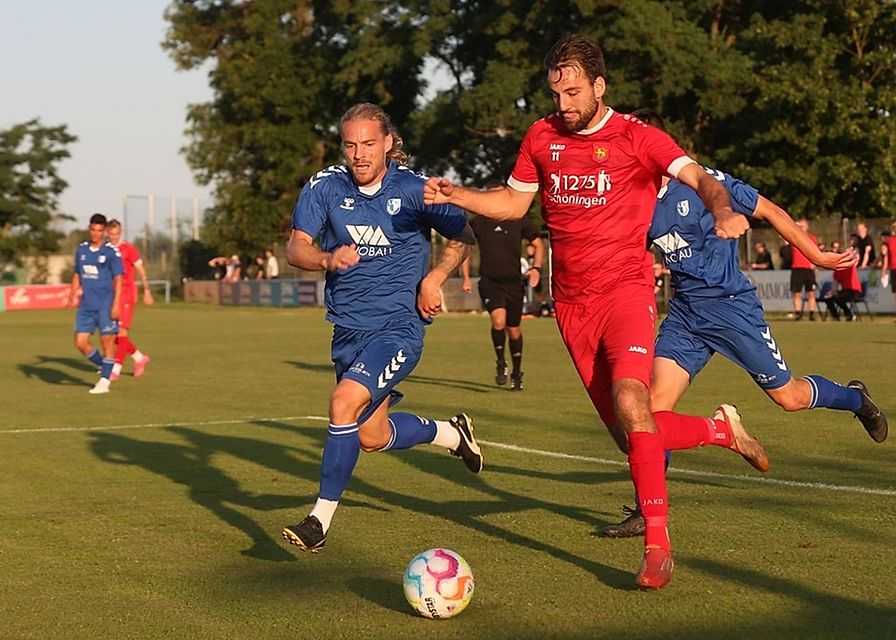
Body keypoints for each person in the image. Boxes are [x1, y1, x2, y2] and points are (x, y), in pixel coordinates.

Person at [424, 34, 763, 590]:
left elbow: (700, 178)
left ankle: (658, 547)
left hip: (627, 293)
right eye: (557, 92)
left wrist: (723, 210)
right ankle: (718, 430)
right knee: (631, 434)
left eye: (574, 91)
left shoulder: (637, 136)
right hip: (571, 306)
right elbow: (513, 204)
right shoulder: (541, 137)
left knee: (635, 403)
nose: (563, 104)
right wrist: (458, 195)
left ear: (600, 86)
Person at [601, 111, 888, 538]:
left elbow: (769, 210)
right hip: (685, 317)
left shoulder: (703, 182)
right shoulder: (634, 200)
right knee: (649, 414)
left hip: (732, 308)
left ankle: (854, 399)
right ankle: (648, 509)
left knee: (788, 397)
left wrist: (817, 257)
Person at [281, 102, 482, 555]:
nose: (360, 153)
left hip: (398, 327)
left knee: (342, 402)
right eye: (351, 144)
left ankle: (319, 520)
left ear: (389, 143)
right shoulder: (326, 187)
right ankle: (452, 434)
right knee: (371, 436)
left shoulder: (414, 190)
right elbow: (296, 247)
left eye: (369, 143)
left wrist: (434, 278)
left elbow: (463, 234)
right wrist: (326, 259)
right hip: (347, 329)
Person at [459, 196, 545, 391]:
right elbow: (464, 247)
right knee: (498, 321)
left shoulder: (518, 218)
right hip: (490, 282)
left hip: (514, 284)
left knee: (513, 329)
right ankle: (500, 363)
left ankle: (516, 372)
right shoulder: (479, 222)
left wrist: (536, 268)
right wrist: (465, 276)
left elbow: (538, 243)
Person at [69, 213, 124, 394]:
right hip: (86, 305)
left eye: (100, 230)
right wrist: (72, 293)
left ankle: (104, 382)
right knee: (80, 342)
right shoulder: (82, 250)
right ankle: (105, 365)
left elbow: (119, 279)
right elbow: (78, 273)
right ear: (89, 229)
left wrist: (116, 304)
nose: (96, 233)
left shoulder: (111, 252)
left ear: (104, 231)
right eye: (93, 229)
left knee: (106, 340)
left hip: (105, 304)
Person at [105, 220, 153, 380]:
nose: (113, 237)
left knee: (121, 333)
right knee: (113, 336)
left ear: (121, 232)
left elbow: (140, 269)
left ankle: (115, 370)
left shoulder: (128, 248)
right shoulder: (105, 249)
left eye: (116, 234)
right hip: (111, 297)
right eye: (111, 234)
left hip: (126, 296)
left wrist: (146, 290)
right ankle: (139, 358)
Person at [824, 237, 863, 321]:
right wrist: (832, 293)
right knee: (829, 298)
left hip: (854, 291)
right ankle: (835, 317)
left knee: (838, 298)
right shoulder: (838, 268)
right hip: (845, 291)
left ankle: (849, 314)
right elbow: (835, 283)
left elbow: (855, 259)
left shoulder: (850, 265)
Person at [791, 219, 819, 321]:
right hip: (797, 268)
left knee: (811, 292)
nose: (802, 227)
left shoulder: (812, 238)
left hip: (808, 269)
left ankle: (811, 313)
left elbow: (816, 253)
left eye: (804, 225)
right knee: (797, 292)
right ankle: (798, 313)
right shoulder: (794, 236)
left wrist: (814, 265)